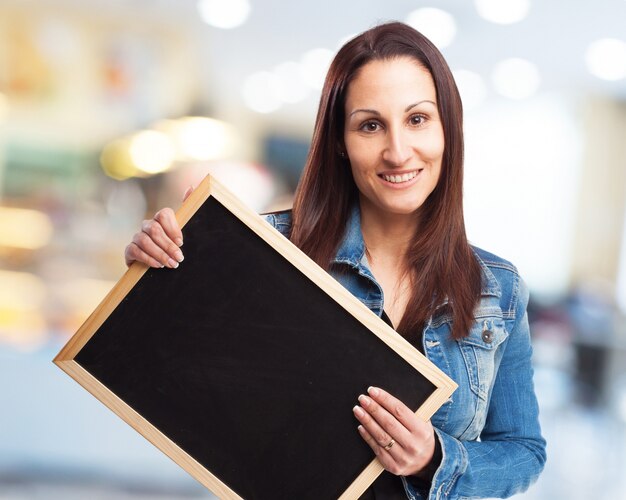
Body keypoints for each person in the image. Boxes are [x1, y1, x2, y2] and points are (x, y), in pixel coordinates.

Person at [124, 21, 546, 500]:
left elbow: (524, 451)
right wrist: (154, 271)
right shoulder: (271, 249)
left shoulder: (498, 286)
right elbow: (173, 372)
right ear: (341, 144)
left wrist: (435, 458)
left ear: (449, 129)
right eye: (370, 125)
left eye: (417, 119)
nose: (397, 151)